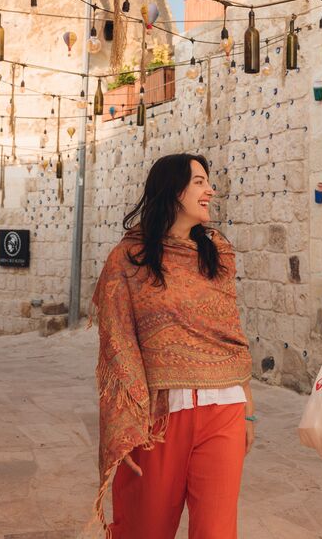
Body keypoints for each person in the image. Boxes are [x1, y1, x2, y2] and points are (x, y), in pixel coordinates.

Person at [92, 153, 254, 538]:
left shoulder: (218, 254)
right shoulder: (127, 259)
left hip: (224, 407)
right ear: (173, 190)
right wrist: (126, 420)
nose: (209, 190)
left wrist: (247, 407)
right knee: (144, 527)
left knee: (217, 532)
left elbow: (231, 331)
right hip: (159, 416)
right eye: (199, 182)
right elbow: (117, 342)